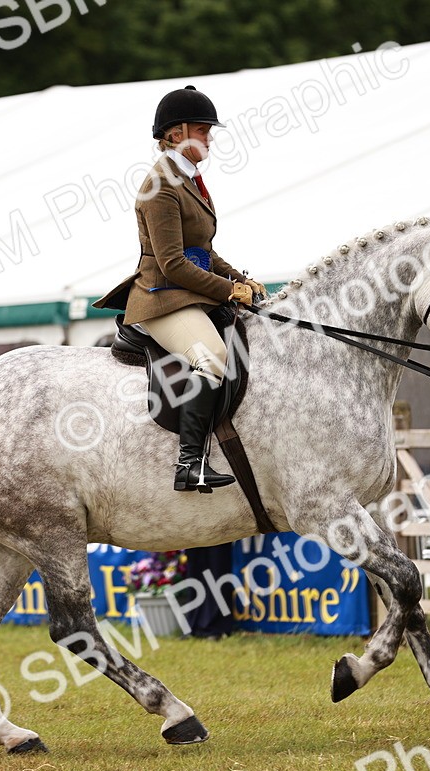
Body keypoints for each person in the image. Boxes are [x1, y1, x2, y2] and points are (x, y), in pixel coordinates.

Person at [92, 85, 267, 493]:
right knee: (213, 357)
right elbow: (172, 263)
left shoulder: (188, 178)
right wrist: (226, 291)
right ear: (175, 134)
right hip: (162, 298)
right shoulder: (160, 186)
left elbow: (202, 250)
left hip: (187, 291)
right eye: (203, 130)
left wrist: (238, 279)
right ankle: (190, 464)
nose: (209, 137)